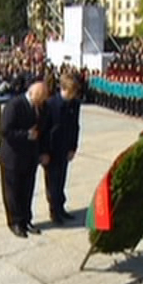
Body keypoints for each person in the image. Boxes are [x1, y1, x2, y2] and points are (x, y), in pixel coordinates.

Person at [0, 81, 49, 238]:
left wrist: (42, 151)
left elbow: (43, 129)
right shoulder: (15, 105)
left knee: (27, 190)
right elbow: (5, 130)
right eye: (40, 98)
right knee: (13, 192)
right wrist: (26, 135)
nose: (42, 102)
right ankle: (15, 222)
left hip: (30, 156)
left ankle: (26, 220)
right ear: (32, 93)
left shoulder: (41, 107)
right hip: (12, 156)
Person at [41, 74, 80, 225]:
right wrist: (43, 152)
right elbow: (44, 130)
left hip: (65, 148)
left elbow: (75, 126)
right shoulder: (50, 104)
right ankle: (54, 210)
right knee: (52, 182)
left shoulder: (74, 104)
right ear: (63, 89)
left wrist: (73, 147)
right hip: (51, 149)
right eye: (71, 92)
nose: (73, 95)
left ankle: (61, 207)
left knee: (61, 179)